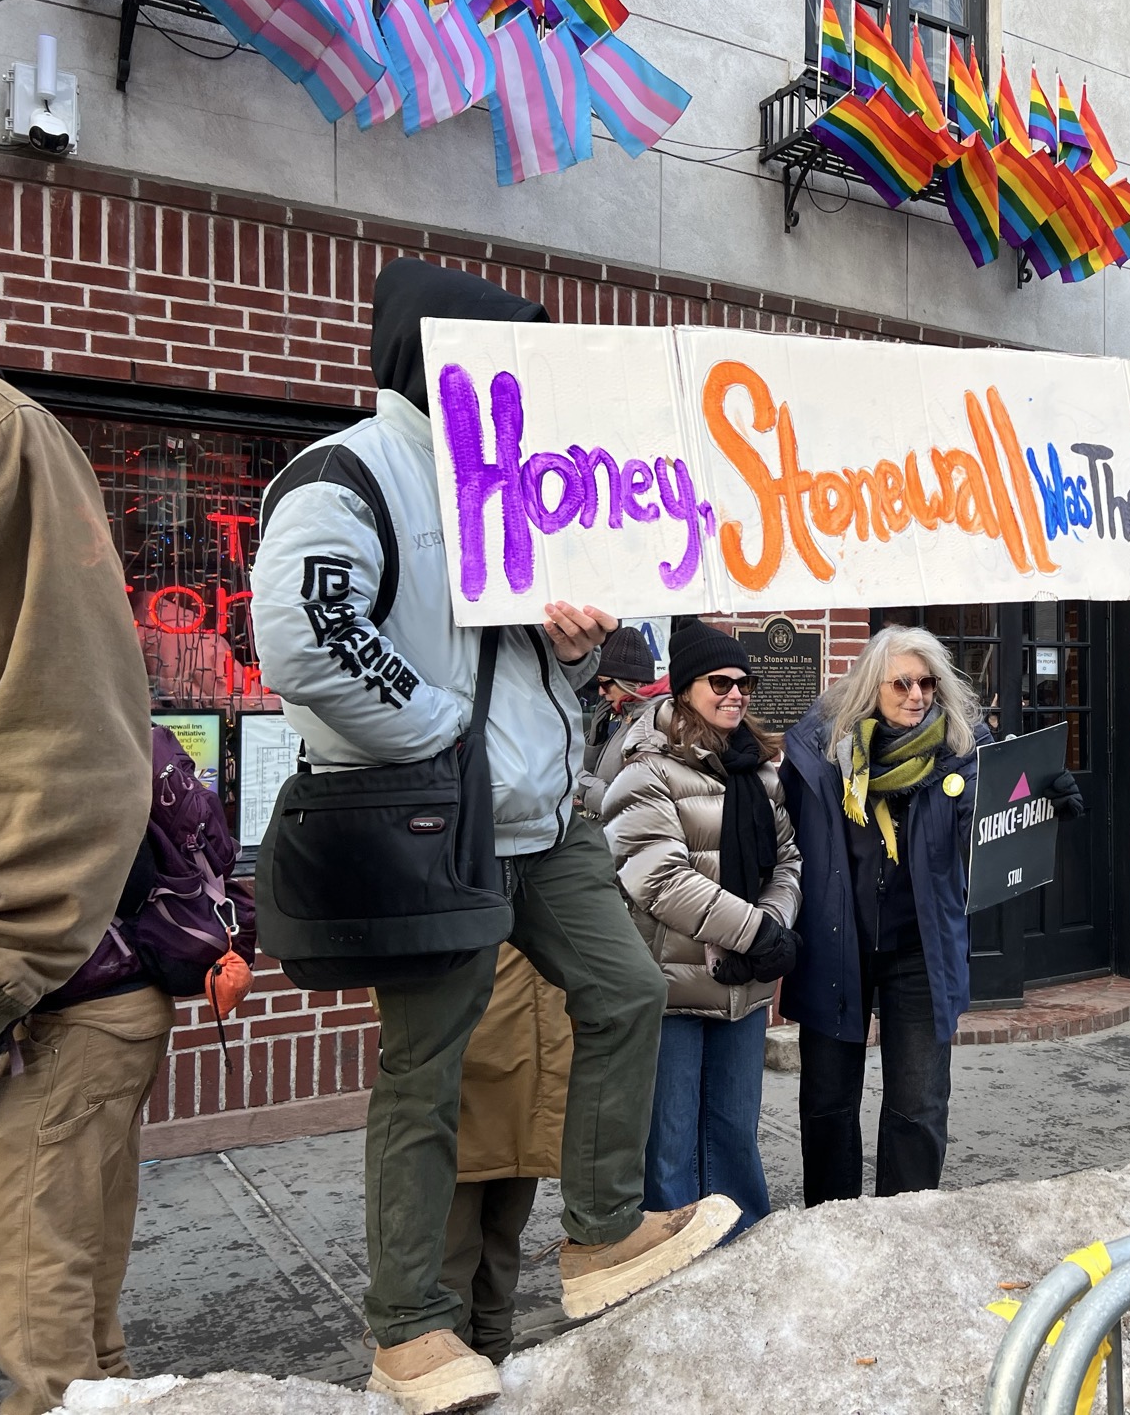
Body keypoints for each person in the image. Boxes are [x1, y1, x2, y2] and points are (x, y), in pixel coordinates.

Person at [250, 259, 732, 1415]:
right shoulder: (348, 471)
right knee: (425, 1073)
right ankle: (405, 1329)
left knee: (626, 990)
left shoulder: (507, 481)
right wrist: (443, 733)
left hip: (540, 823)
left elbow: (537, 662)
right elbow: (307, 637)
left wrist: (573, 647)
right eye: (510, 352)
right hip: (438, 822)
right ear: (443, 355)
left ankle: (601, 1234)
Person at [0, 271, 156, 1415]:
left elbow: (73, 758)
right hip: (76, 995)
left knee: (42, 1303)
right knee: (62, 1302)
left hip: (61, 1001)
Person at [780, 627, 1079, 1201]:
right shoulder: (821, 751)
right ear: (871, 687)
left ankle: (909, 1224)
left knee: (917, 1104)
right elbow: (784, 836)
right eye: (902, 684)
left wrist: (1041, 799)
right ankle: (831, 1225)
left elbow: (984, 828)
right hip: (835, 943)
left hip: (920, 945)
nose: (917, 695)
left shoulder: (962, 750)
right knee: (827, 1103)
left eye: (927, 683)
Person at [608, 621, 801, 1235]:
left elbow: (787, 861)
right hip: (673, 984)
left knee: (734, 1135)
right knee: (669, 1144)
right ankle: (673, 1266)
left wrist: (771, 926)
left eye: (744, 683)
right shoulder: (646, 768)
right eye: (720, 682)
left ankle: (740, 1253)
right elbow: (659, 879)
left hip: (744, 984)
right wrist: (757, 933)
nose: (735, 693)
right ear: (686, 687)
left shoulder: (760, 770)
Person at [440, 945, 570, 1366]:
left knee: (502, 1234)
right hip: (467, 1043)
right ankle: (449, 1365)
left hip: (535, 1051)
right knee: (450, 1243)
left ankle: (491, 1358)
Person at [575, 626, 666, 824]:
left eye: (605, 683)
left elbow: (627, 802)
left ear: (631, 682)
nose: (600, 692)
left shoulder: (653, 723)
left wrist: (577, 779)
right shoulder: (626, 715)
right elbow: (600, 773)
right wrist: (596, 737)